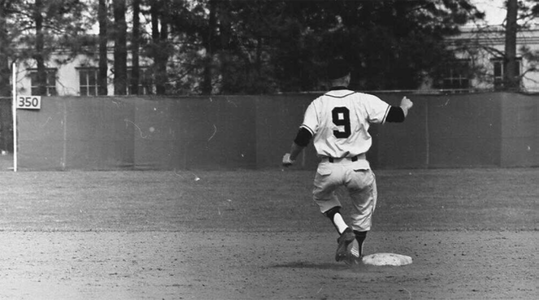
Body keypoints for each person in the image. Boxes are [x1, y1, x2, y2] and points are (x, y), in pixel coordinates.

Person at [282, 58, 413, 264]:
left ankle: (343, 230)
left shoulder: (317, 104)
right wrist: (405, 106)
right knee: (363, 208)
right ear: (347, 77)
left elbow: (303, 136)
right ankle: (356, 254)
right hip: (358, 166)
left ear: (328, 80)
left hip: (328, 167)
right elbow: (396, 116)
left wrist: (291, 157)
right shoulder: (362, 99)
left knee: (322, 196)